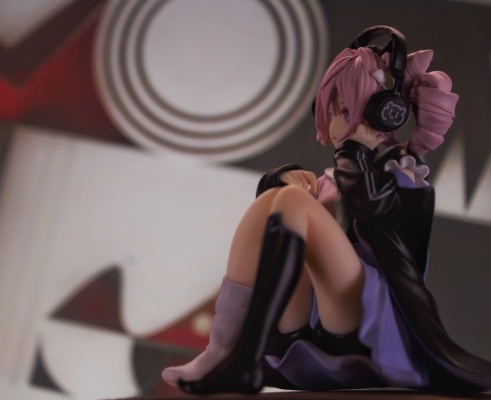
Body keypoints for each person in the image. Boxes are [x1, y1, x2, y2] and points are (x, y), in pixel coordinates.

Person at [161, 26, 491, 394]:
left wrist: (351, 153)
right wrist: (283, 179)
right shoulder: (335, 177)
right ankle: (221, 351)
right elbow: (281, 221)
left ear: (386, 115)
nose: (336, 122)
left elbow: (370, 210)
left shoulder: (405, 176)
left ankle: (244, 361)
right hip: (310, 318)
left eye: (347, 110)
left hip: (370, 321)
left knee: (292, 203)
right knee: (273, 201)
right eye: (333, 110)